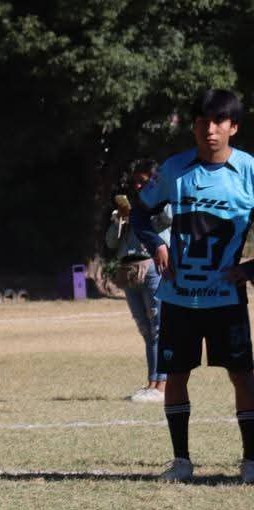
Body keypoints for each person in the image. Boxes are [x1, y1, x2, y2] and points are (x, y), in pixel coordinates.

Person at [132, 88, 254, 485]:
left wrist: (251, 269)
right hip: (179, 297)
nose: (210, 129)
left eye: (219, 122)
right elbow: (139, 214)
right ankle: (181, 461)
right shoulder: (174, 169)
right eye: (202, 122)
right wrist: (157, 244)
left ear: (234, 127)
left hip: (226, 299)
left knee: (242, 376)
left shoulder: (249, 171)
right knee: (176, 375)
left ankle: (251, 462)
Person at [106, 161, 171, 403]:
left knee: (159, 327)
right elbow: (111, 242)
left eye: (142, 181)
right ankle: (152, 382)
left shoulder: (161, 204)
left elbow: (168, 218)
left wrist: (146, 209)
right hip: (129, 271)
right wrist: (119, 221)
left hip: (152, 267)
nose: (138, 186)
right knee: (145, 329)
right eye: (135, 182)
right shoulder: (131, 210)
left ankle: (162, 385)